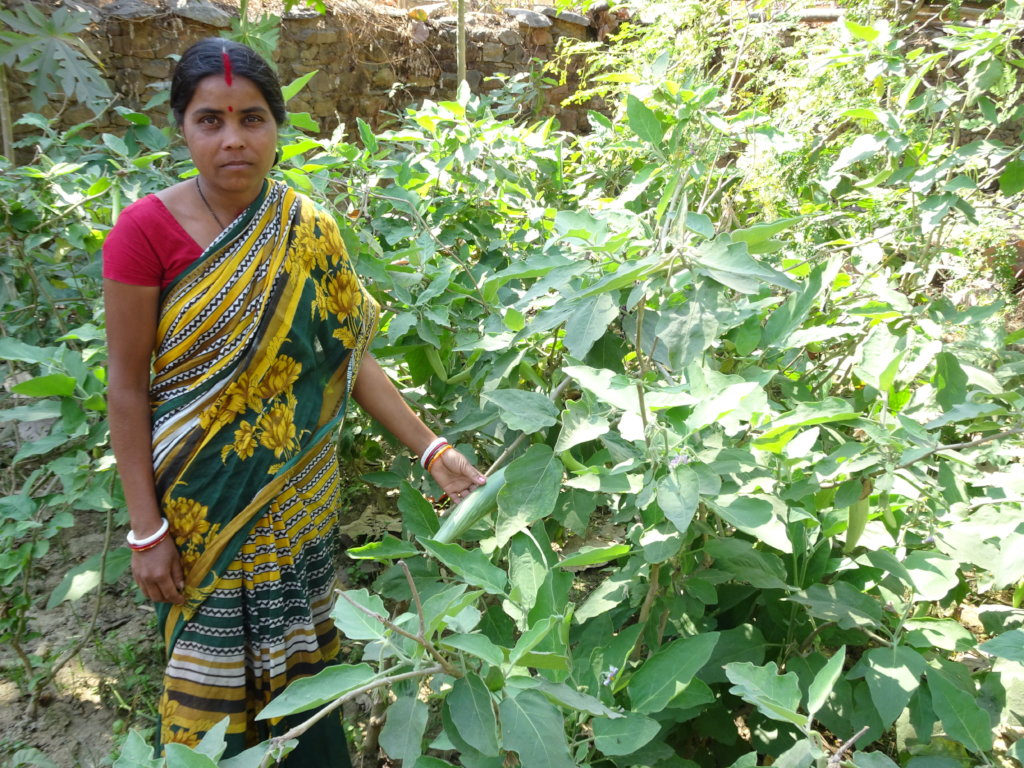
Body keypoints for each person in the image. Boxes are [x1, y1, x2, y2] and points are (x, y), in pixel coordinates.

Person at [103, 38, 485, 762]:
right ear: (181, 128)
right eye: (209, 120)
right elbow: (126, 389)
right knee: (214, 685)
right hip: (201, 508)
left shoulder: (308, 227)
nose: (234, 140)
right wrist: (145, 530)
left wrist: (431, 448)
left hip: (300, 495)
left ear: (278, 126)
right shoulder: (143, 234)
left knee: (304, 658)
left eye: (252, 118)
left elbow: (350, 355)